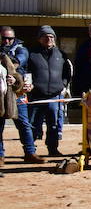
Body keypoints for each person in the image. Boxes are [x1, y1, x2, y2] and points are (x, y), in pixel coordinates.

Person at [26, 26, 70, 159]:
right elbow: (26, 71)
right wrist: (29, 84)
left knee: (54, 124)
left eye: (51, 36)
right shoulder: (31, 54)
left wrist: (62, 84)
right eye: (45, 36)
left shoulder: (61, 54)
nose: (48, 39)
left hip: (54, 96)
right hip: (36, 96)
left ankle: (53, 149)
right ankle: (30, 151)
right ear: (39, 39)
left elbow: (67, 72)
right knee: (33, 124)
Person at [1, 26, 39, 164]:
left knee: (24, 124)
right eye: (4, 38)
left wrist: (21, 81)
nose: (6, 41)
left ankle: (30, 153)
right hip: (1, 92)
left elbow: (19, 63)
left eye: (10, 38)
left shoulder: (21, 50)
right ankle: (0, 156)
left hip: (18, 92)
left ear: (14, 38)